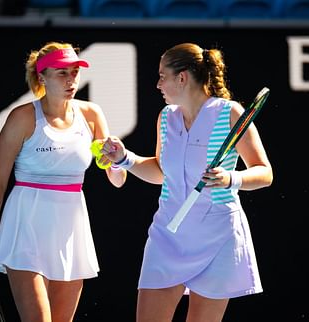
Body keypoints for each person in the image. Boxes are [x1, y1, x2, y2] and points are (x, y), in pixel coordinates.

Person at [100, 42, 273, 322]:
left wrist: (232, 178)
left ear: (182, 78)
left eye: (162, 76)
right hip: (168, 234)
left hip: (217, 236)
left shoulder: (229, 114)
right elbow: (160, 171)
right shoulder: (166, 117)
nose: (157, 84)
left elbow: (264, 172)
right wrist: (125, 159)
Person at [0, 41, 126, 322]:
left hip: (71, 231)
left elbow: (117, 179)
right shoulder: (22, 118)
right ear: (42, 77)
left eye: (74, 72)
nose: (71, 80)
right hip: (25, 229)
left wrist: (117, 160)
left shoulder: (92, 115)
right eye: (61, 73)